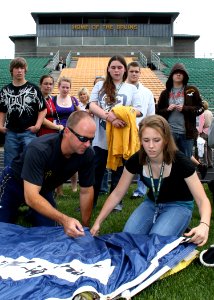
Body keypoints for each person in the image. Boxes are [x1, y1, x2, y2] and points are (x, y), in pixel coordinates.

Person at [90, 115, 211, 247]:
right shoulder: (136, 160)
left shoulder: (181, 162)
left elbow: (202, 199)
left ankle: (177, 224)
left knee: (155, 244)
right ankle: (168, 225)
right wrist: (98, 222)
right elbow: (117, 193)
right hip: (152, 203)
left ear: (165, 140)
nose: (151, 146)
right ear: (140, 140)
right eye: (146, 140)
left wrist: (204, 224)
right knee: (128, 239)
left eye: (156, 140)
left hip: (179, 205)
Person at [0, 111, 96, 238]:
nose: (88, 144)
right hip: (14, 183)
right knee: (4, 229)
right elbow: (31, 197)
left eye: (91, 139)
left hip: (42, 188)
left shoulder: (87, 154)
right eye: (83, 138)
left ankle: (31, 213)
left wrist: (85, 228)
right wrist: (64, 219)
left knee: (49, 231)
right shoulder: (40, 149)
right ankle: (16, 209)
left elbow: (86, 191)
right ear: (66, 131)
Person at [89, 55, 142, 210]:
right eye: (113, 67)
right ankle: (91, 202)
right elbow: (92, 105)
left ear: (124, 69)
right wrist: (109, 117)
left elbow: (139, 110)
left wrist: (120, 113)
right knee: (97, 171)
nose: (116, 70)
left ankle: (115, 203)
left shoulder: (131, 88)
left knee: (119, 172)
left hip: (121, 138)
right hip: (101, 137)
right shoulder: (100, 86)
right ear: (108, 69)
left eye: (119, 67)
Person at [156, 63, 207, 178]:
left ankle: (189, 186)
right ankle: (172, 184)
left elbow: (201, 108)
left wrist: (185, 109)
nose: (178, 74)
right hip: (170, 132)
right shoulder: (165, 93)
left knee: (187, 159)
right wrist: (167, 109)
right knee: (170, 158)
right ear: (171, 75)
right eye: (176, 72)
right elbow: (158, 112)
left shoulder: (192, 90)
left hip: (186, 132)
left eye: (181, 73)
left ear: (185, 76)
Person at [0, 57, 47, 167]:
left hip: (29, 132)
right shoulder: (5, 90)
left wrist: (38, 125)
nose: (19, 70)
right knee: (10, 165)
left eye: (22, 67)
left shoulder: (34, 89)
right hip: (10, 133)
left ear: (25, 69)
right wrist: (0, 125)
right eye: (16, 68)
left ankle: (27, 185)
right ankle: (10, 184)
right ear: (12, 70)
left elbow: (43, 109)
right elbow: (2, 110)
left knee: (30, 163)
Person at [126, 61, 155, 199]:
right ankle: (119, 188)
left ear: (140, 73)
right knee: (122, 159)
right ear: (127, 72)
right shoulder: (120, 90)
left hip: (141, 130)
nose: (134, 74)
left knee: (142, 160)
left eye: (136, 71)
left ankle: (141, 190)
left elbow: (151, 114)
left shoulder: (147, 92)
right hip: (123, 130)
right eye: (131, 71)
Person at [53, 76, 80, 195]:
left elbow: (80, 114)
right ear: (59, 87)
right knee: (58, 161)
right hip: (57, 132)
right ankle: (59, 189)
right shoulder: (53, 99)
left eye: (67, 87)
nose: (65, 89)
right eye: (63, 87)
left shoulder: (73, 100)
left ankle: (74, 187)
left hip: (72, 132)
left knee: (73, 160)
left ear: (70, 88)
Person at [197, 100, 213, 168]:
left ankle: (205, 163)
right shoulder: (210, 112)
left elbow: (201, 124)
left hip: (203, 132)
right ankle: (210, 163)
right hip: (210, 131)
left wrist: (199, 132)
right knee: (209, 149)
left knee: (204, 148)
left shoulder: (202, 113)